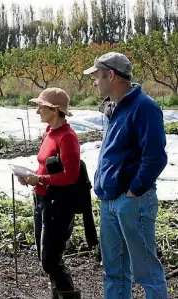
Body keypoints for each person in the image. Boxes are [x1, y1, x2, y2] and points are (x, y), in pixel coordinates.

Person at [83, 52, 169, 299]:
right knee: (114, 272)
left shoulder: (144, 107)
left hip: (132, 201)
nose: (94, 82)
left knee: (146, 273)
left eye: (97, 76)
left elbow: (155, 158)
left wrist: (133, 192)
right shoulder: (112, 108)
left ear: (111, 75)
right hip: (109, 201)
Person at [19, 87, 82, 299]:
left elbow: (71, 176)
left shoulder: (67, 138)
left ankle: (68, 295)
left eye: (41, 107)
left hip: (58, 204)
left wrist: (42, 180)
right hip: (42, 199)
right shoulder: (49, 133)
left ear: (55, 110)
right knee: (45, 257)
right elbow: (45, 167)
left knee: (50, 260)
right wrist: (30, 177)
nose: (37, 111)